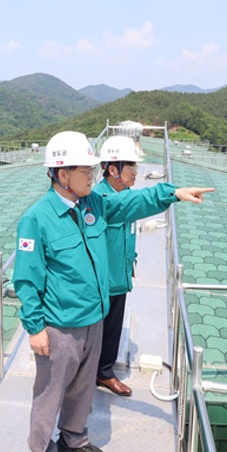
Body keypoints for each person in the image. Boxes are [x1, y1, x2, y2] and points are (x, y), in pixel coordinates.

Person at [14, 130, 213, 452]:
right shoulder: (36, 219)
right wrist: (35, 327)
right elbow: (26, 279)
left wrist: (172, 193)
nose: (92, 175)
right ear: (62, 173)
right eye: (85, 170)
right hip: (59, 327)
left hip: (94, 319)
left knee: (82, 389)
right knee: (49, 395)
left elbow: (133, 203)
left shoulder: (95, 205)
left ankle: (73, 438)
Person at [91, 135, 146, 396]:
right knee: (95, 329)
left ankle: (104, 372)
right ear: (113, 170)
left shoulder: (126, 195)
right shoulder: (97, 199)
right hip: (101, 280)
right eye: (130, 167)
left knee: (113, 327)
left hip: (119, 276)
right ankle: (89, 374)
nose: (135, 172)